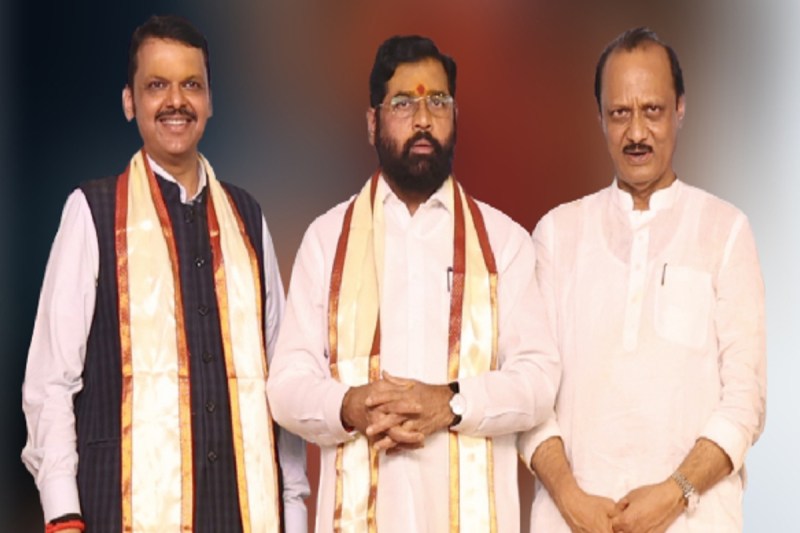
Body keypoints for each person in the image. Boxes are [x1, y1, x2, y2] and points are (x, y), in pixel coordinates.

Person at [21, 15, 308, 533]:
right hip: (118, 510)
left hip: (244, 512)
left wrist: (294, 506)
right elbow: (50, 381)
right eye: (157, 86)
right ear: (129, 102)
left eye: (191, 85)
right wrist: (63, 512)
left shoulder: (247, 218)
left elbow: (281, 380)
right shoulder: (93, 212)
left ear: (210, 101)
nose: (176, 101)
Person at [266, 35, 560, 532]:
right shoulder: (327, 240)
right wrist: (350, 406)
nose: (423, 119)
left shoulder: (502, 242)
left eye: (438, 102)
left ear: (456, 116)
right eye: (403, 103)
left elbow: (538, 380)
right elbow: (286, 387)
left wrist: (450, 404)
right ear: (372, 122)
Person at [518, 27, 766, 532]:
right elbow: (530, 388)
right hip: (572, 521)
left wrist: (675, 493)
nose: (636, 133)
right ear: (599, 118)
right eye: (619, 113)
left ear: (680, 109)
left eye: (652, 111)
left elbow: (746, 400)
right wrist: (571, 498)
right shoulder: (557, 234)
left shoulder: (724, 231)